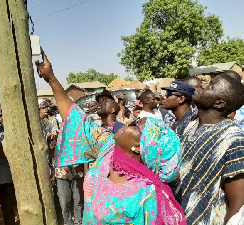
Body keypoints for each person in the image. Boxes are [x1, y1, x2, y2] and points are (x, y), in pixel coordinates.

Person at [35, 49, 186, 224]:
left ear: (138, 148)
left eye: (136, 126)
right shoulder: (108, 148)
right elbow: (75, 117)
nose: (129, 123)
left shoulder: (149, 195)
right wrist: (51, 79)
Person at [171, 74, 244, 224]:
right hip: (175, 216)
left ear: (219, 103)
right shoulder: (189, 123)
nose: (202, 85)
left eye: (210, 85)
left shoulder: (233, 139)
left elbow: (237, 202)